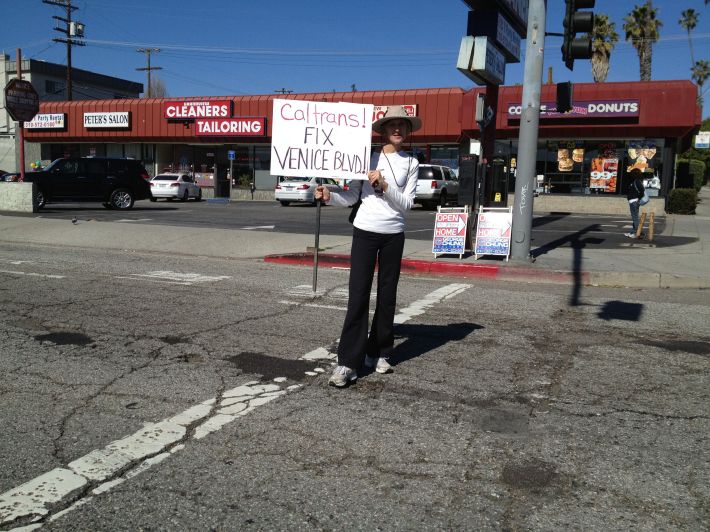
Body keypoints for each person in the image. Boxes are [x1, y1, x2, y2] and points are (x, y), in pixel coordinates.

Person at [315, 105, 420, 387]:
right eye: (392, 125)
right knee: (358, 295)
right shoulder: (365, 157)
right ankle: (348, 362)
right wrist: (329, 196)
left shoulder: (411, 163)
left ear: (408, 131)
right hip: (364, 231)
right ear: (383, 130)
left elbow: (408, 204)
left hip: (393, 234)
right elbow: (350, 196)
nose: (398, 129)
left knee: (387, 296)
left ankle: (380, 352)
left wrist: (385, 186)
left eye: (403, 125)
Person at [625, 169, 645, 238]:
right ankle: (632, 232)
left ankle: (638, 233)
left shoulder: (637, 181)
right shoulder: (634, 181)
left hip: (634, 201)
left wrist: (638, 198)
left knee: (635, 218)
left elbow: (642, 191)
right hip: (633, 201)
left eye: (632, 173)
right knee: (635, 218)